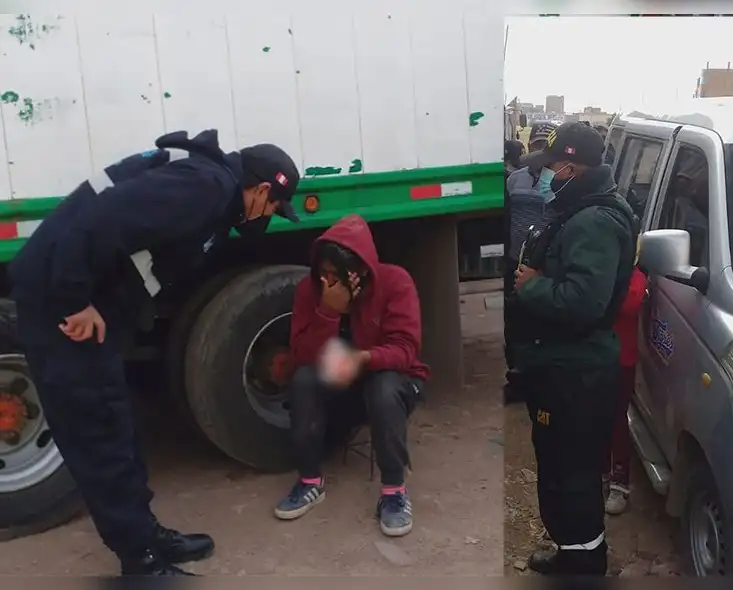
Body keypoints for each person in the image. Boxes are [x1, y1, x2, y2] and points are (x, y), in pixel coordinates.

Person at [7, 129, 301, 576]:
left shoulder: (208, 184)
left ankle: (145, 537)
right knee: (100, 435)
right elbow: (102, 219)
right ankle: (140, 562)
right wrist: (73, 299)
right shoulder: (206, 187)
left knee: (118, 427)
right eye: (274, 207)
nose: (269, 216)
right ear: (262, 190)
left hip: (81, 303)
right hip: (61, 309)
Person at [511, 122, 638, 575]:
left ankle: (583, 565)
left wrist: (532, 286)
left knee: (572, 473)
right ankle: (574, 552)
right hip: (565, 363)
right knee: (563, 467)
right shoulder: (583, 210)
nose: (546, 176)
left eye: (551, 168)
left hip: (575, 370)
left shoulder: (593, 221)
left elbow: (585, 302)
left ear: (570, 168)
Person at [274, 214, 429, 538]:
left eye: (337, 275)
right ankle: (310, 481)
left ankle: (394, 491)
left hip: (390, 380)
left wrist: (363, 358)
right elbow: (302, 355)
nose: (327, 282)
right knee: (303, 380)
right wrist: (328, 312)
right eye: (323, 273)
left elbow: (405, 350)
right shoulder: (310, 291)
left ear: (360, 272)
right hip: (342, 388)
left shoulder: (395, 282)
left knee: (383, 387)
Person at [504, 122, 559, 404]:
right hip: (515, 259)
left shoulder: (561, 183)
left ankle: (539, 375)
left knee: (540, 321)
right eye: (537, 145)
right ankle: (516, 375)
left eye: (545, 147)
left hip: (544, 265)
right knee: (514, 321)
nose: (540, 151)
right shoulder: (514, 180)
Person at [604, 254, 647, 515]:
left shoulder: (635, 277)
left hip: (622, 361)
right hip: (594, 356)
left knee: (617, 421)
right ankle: (601, 471)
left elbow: (629, 304)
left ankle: (619, 482)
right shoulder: (598, 269)